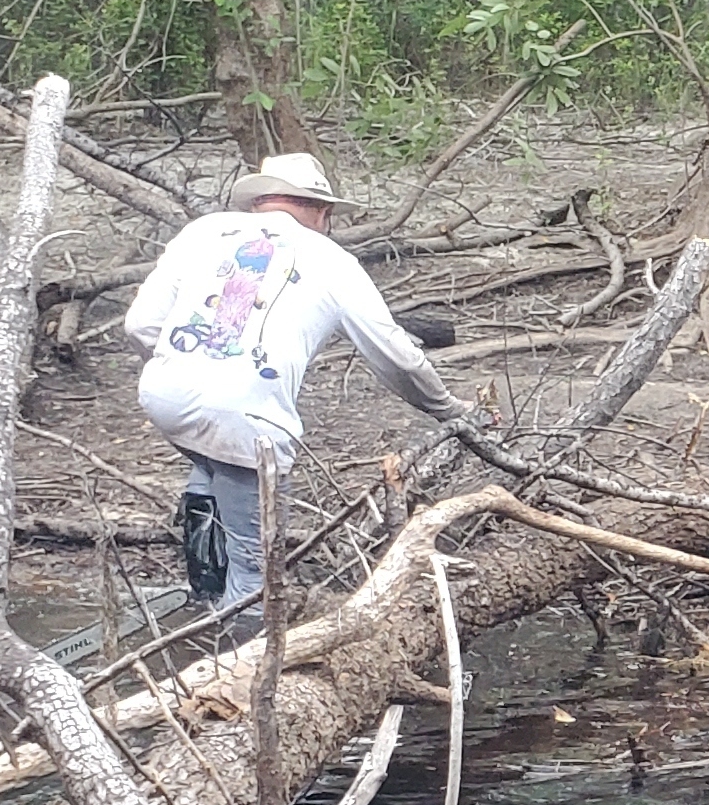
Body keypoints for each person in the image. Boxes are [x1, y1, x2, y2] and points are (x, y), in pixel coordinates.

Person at [124, 152, 473, 623]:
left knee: (211, 462)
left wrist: (180, 368)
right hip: (248, 418)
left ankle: (204, 586)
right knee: (255, 573)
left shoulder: (203, 231)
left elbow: (140, 325)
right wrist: (450, 409)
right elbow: (396, 356)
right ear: (320, 210)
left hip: (164, 395)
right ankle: (237, 660)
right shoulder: (333, 260)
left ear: (260, 201)